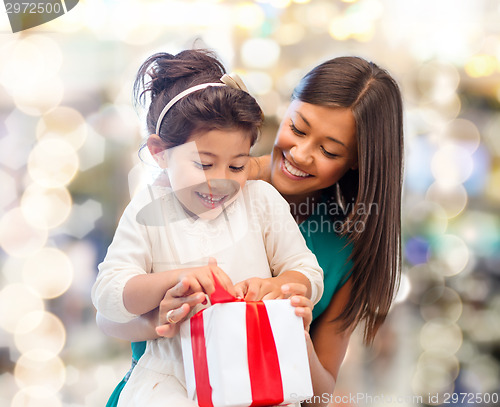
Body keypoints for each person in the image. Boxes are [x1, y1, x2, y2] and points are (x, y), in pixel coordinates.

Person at [98, 55, 404, 407]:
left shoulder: (338, 245)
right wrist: (164, 317)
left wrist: (292, 326)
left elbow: (320, 394)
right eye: (299, 128)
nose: (301, 154)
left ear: (357, 159)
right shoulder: (183, 185)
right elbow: (108, 311)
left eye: (329, 150)